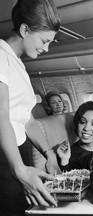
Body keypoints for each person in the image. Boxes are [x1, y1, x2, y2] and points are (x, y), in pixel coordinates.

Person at [0, 0, 61, 215]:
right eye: (44, 40)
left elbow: (28, 120)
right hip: (6, 159)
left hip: (19, 154)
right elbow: (1, 114)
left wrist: (49, 154)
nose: (46, 48)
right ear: (25, 29)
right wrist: (18, 169)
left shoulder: (18, 65)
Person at [56, 101, 93, 171]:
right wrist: (64, 161)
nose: (86, 128)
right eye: (82, 122)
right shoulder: (69, 155)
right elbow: (67, 180)